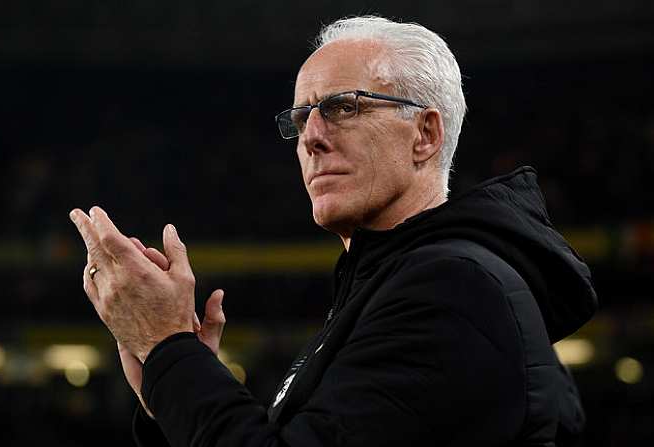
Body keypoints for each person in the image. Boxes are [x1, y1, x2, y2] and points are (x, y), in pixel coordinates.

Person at [69, 16, 597, 446]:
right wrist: (170, 393)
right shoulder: (392, 285)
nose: (311, 138)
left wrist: (169, 350)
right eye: (301, 119)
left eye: (344, 107)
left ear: (425, 135)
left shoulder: (455, 290)